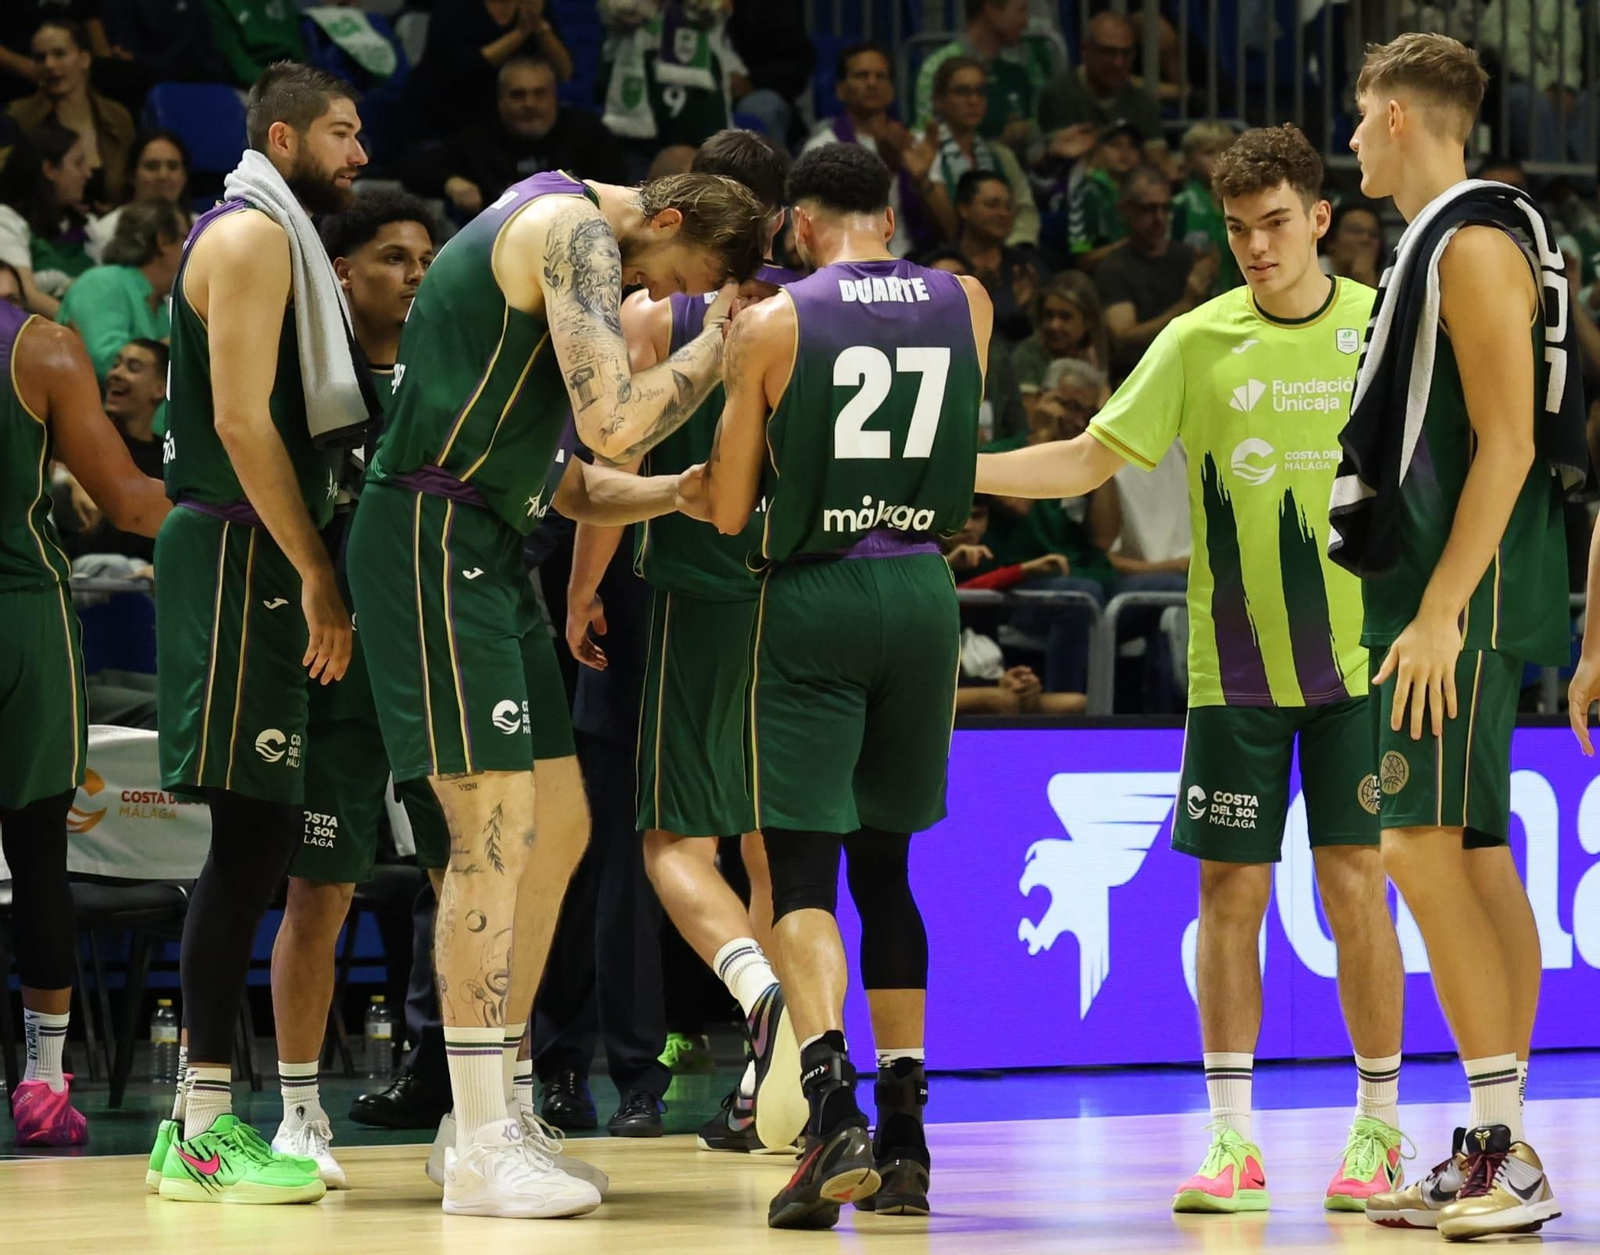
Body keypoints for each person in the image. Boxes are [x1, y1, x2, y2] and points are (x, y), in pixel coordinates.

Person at [976, 123, 1410, 1213]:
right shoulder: (1195, 341)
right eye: (1237, 228)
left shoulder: (1384, 330)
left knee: (1358, 887)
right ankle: (1231, 1143)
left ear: (1319, 219)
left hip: (1365, 669)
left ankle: (1381, 1134)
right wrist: (959, 468)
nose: (1257, 247)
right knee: (1229, 894)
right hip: (1237, 674)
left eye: (1275, 225)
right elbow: (1085, 460)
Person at [345, 146, 765, 1214]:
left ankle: (486, 1113)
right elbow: (615, 415)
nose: (659, 301)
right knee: (490, 826)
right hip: (432, 536)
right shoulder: (572, 230)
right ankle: (482, 1135)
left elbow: (571, 478)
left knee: (562, 823)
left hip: (485, 534)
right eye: (677, 277)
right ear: (664, 215)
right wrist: (722, 344)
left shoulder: (560, 234)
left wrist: (675, 491)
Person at [698, 141, 992, 1229]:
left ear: (799, 224)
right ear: (887, 211)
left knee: (803, 872)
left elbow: (730, 511)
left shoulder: (775, 323)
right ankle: (910, 1137)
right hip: (921, 592)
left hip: (814, 592)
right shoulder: (967, 302)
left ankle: (832, 1111)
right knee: (890, 870)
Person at [1342, 34, 1571, 1239]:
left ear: (1392, 116)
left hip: (1457, 596)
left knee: (1418, 848)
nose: (1348, 142)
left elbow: (1512, 444)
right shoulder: (1467, 232)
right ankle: (1493, 1138)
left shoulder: (1472, 243)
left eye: (1355, 119)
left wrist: (1437, 610)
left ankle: (1506, 1152)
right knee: (1474, 856)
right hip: (1456, 589)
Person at [147, 62, 371, 1208]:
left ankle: (198, 1120)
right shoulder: (245, 239)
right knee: (247, 838)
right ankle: (195, 1124)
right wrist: (316, 567)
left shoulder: (276, 235)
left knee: (263, 832)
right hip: (242, 548)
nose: (359, 155)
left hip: (256, 549)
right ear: (280, 137)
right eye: (340, 134)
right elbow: (238, 419)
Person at [565, 129, 807, 1155]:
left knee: (655, 843)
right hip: (791, 593)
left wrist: (580, 592)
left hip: (680, 596)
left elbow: (605, 462)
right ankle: (775, 1073)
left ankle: (646, 1067)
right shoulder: (812, 308)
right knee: (770, 848)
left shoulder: (655, 310)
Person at [0, 280, 169, 1148]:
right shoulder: (44, 347)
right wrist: (255, 522)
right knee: (37, 851)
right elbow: (135, 501)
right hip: (24, 617)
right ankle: (41, 1082)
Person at [397, 56, 626, 218]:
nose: (530, 104)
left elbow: (619, 191)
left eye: (539, 94)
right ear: (500, 102)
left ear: (555, 97)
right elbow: (412, 166)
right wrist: (451, 182)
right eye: (518, 95)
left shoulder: (588, 133)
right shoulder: (478, 137)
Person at [903, 56, 1039, 248]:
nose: (973, 101)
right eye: (961, 92)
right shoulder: (920, 149)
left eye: (980, 92)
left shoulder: (1000, 155)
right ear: (938, 101)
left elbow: (1025, 210)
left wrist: (1014, 248)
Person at [1095, 165, 1217, 376]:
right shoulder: (1114, 268)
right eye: (1148, 209)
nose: (1159, 217)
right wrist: (1185, 306)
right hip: (1141, 375)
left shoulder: (1188, 257)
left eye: (1165, 208)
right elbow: (1123, 338)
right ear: (1126, 210)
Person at [803, 42, 917, 257]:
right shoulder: (822, 147)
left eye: (880, 76)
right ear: (840, 90)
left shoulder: (911, 141)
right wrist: (889, 167)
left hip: (913, 259)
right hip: (849, 259)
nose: (872, 83)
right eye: (861, 76)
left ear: (892, 90)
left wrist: (922, 179)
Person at [6, 20, 136, 207]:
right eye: (40, 58)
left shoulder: (117, 117)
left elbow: (133, 187)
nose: (49, 64)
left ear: (84, 59)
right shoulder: (17, 117)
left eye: (59, 54)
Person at [405, 0, 572, 143]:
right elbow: (462, 70)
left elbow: (564, 72)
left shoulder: (532, 7)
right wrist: (520, 34)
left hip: (508, 121)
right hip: (450, 119)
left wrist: (540, 26)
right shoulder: (455, 7)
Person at [56, 198, 183, 382]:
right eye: (185, 237)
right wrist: (176, 346)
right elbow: (105, 362)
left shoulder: (162, 306)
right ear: (162, 240)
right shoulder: (103, 282)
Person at [71, 337, 169, 563]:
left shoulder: (170, 459)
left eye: (133, 368)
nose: (115, 373)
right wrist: (70, 480)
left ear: (160, 389)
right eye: (116, 364)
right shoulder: (82, 440)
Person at [1039, 12, 1165, 166]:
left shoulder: (1143, 102)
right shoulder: (1059, 95)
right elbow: (1061, 165)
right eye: (1108, 52)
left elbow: (1158, 165)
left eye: (1126, 53)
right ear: (1085, 50)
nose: (1118, 62)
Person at [913, 0, 1041, 152]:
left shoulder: (1016, 73)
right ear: (991, 9)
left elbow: (1035, 148)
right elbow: (927, 142)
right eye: (1021, 10)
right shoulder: (936, 67)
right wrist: (999, 148)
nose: (1026, 22)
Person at [0, 122, 94, 316]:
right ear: (50, 169)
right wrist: (83, 331)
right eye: (78, 163)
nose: (87, 173)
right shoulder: (6, 221)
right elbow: (27, 294)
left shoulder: (87, 225)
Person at [953, 171, 1050, 345]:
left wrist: (1029, 312)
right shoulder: (941, 265)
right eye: (992, 205)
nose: (1004, 213)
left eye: (1008, 207)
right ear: (964, 209)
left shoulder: (1027, 268)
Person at [1010, 272, 1108, 417]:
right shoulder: (1027, 356)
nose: (1054, 325)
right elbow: (1029, 420)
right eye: (1049, 315)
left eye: (1065, 317)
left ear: (1088, 320)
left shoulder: (1102, 352)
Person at [87, 129, 192, 263]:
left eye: (173, 166)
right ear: (131, 175)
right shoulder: (105, 231)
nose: (163, 175)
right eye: (151, 166)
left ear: (184, 176)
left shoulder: (205, 229)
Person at [1172, 122, 1243, 296]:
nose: (1219, 158)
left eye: (1225, 152)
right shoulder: (1181, 204)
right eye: (1209, 152)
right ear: (1189, 161)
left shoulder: (1242, 203)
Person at [1320, 200, 1385, 289]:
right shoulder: (1314, 274)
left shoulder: (1387, 278)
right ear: (1331, 241)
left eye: (1374, 234)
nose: (1365, 239)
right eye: (1355, 231)